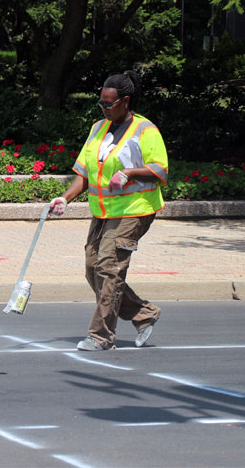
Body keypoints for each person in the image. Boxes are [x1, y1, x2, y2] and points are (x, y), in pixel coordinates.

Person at [47, 70, 168, 350]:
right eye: (100, 103)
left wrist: (131, 173)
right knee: (93, 269)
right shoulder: (98, 128)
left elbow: (160, 170)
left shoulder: (145, 130)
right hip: (103, 211)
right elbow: (83, 173)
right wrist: (65, 198)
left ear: (125, 101)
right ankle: (144, 313)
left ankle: (101, 336)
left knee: (109, 270)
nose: (103, 108)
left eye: (108, 104)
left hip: (134, 210)